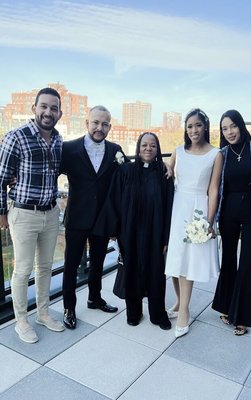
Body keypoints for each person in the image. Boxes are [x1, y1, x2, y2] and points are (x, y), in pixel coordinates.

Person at [0, 87, 64, 343]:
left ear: (60, 112)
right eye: (44, 106)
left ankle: (43, 313)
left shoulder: (58, 140)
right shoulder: (16, 136)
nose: (48, 112)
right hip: (24, 214)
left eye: (54, 108)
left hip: (51, 213)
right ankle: (21, 320)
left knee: (45, 267)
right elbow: (1, 178)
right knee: (23, 269)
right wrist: (2, 213)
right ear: (34, 108)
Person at [95, 132, 174, 330]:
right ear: (138, 148)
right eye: (144, 145)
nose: (148, 149)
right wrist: (115, 231)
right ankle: (134, 312)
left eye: (153, 146)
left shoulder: (164, 174)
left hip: (155, 232)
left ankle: (157, 314)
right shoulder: (126, 171)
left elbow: (169, 207)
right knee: (132, 271)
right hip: (129, 232)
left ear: (158, 150)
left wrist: (166, 236)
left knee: (156, 272)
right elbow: (114, 200)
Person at [61, 105, 130, 329]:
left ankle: (94, 298)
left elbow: (129, 178)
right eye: (96, 123)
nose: (100, 128)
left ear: (110, 126)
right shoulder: (69, 149)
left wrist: (163, 167)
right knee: (71, 266)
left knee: (98, 263)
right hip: (77, 218)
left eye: (105, 124)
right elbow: (48, 170)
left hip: (103, 219)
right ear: (87, 123)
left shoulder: (116, 150)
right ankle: (69, 307)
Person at [165, 108, 223, 338]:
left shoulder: (215, 154)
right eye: (189, 126)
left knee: (188, 261)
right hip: (178, 207)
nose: (194, 130)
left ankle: (184, 312)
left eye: (198, 125)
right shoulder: (178, 151)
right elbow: (168, 173)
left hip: (198, 209)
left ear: (205, 127)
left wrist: (209, 221)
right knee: (176, 258)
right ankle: (180, 302)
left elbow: (214, 188)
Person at [212, 110, 251, 336]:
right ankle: (226, 308)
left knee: (247, 264)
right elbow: (214, 186)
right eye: (224, 128)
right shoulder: (222, 154)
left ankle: (241, 316)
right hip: (228, 213)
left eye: (233, 126)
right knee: (228, 259)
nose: (229, 132)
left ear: (241, 126)